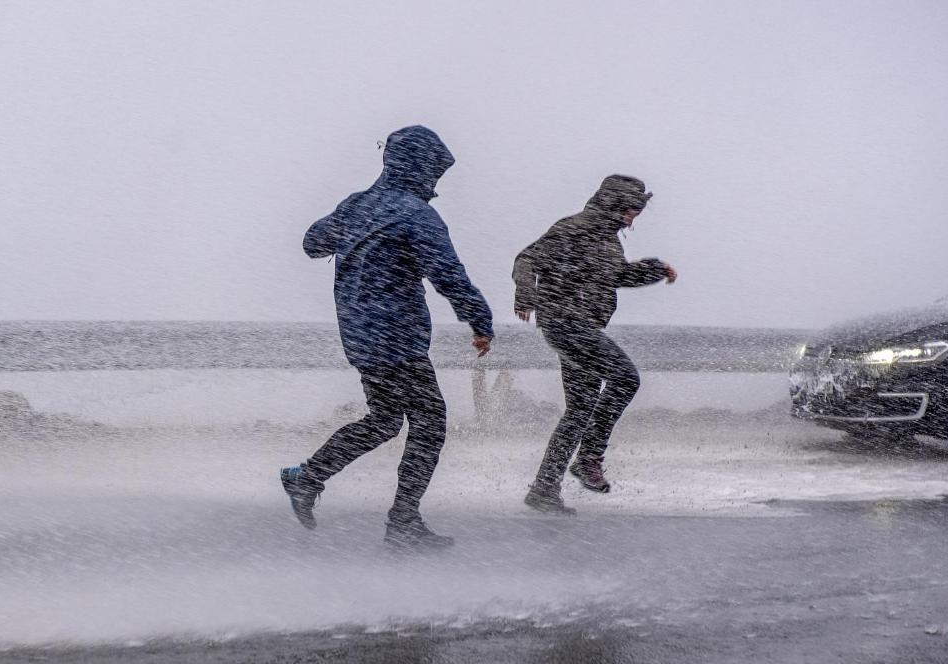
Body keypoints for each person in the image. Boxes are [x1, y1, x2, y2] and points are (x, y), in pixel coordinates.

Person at [281, 125, 493, 549]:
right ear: (418, 168)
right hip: (395, 336)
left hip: (360, 335)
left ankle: (307, 477)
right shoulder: (417, 215)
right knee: (430, 423)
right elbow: (449, 275)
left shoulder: (358, 205)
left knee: (384, 420)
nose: (435, 182)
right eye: (433, 171)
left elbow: (312, 243)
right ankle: (402, 522)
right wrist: (480, 321)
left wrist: (354, 229)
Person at [512, 175, 676, 514]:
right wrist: (526, 296)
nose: (632, 220)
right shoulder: (575, 228)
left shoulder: (609, 240)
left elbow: (615, 277)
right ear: (614, 205)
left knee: (580, 409)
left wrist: (654, 270)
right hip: (566, 323)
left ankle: (544, 488)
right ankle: (588, 457)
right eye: (631, 212)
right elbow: (526, 259)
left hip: (582, 325)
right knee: (626, 378)